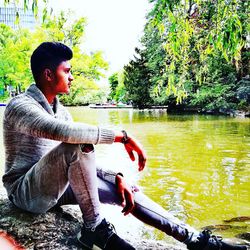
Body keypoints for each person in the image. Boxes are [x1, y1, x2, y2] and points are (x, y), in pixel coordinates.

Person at [2, 42, 246, 250]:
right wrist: (122, 137)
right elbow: (61, 134)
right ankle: (94, 229)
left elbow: (79, 158)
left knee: (126, 189)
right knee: (78, 143)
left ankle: (195, 240)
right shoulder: (19, 106)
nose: (72, 77)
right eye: (67, 71)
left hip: (56, 187)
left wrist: (116, 176)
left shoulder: (62, 111)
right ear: (48, 74)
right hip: (26, 192)